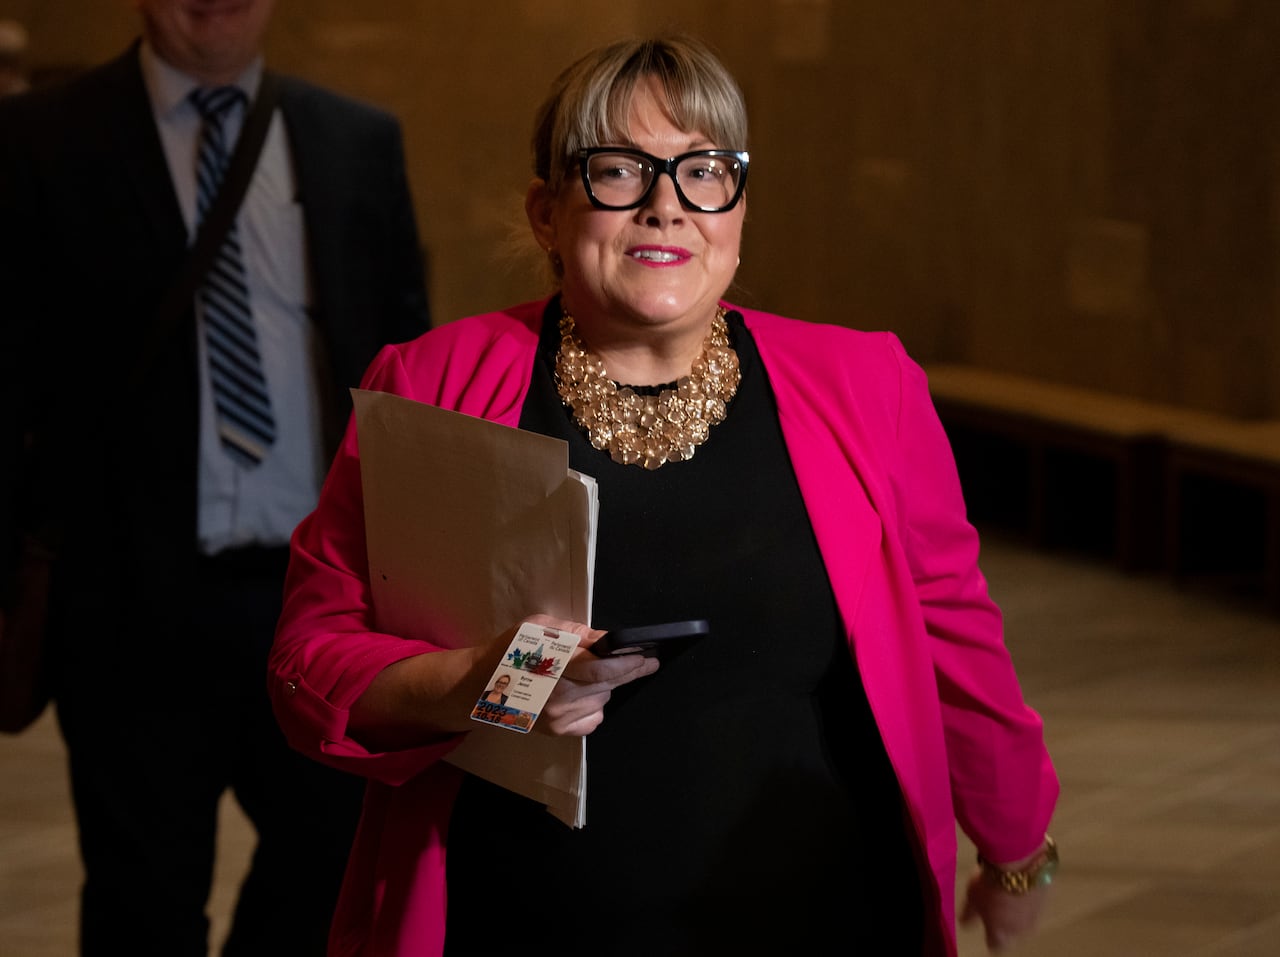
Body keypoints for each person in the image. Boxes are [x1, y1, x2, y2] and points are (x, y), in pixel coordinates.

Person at [268, 34, 1058, 957]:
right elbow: (308, 659)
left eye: (703, 171)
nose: (665, 205)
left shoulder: (865, 383)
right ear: (545, 213)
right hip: (523, 917)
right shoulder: (431, 382)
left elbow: (958, 640)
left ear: (738, 208)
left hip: (828, 913)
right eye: (617, 171)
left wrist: (1016, 851)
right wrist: (486, 683)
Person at [0, 0, 430, 954]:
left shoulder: (354, 139)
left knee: (328, 864)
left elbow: (401, 364)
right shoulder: (39, 139)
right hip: (128, 608)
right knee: (141, 897)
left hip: (315, 599)